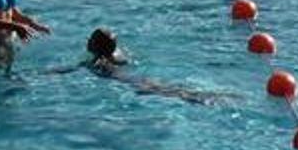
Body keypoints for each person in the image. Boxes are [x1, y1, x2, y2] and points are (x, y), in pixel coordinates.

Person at [74, 29, 225, 103]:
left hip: (130, 82)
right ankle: (209, 96)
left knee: (175, 94)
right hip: (138, 78)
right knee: (174, 90)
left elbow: (72, 69)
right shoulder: (118, 54)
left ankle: (205, 99)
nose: (88, 41)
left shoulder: (97, 62)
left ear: (96, 46)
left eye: (91, 40)